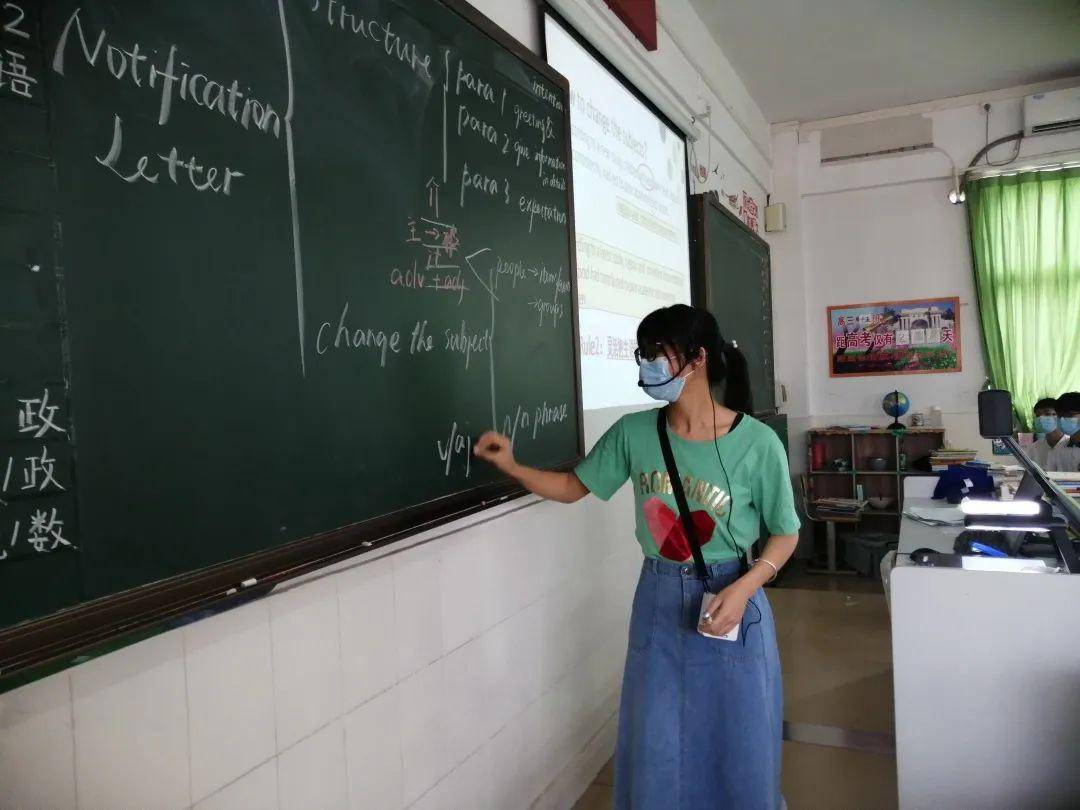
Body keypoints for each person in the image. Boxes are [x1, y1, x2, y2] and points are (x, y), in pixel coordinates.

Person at [474, 304, 800, 809]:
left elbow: (785, 533)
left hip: (732, 598)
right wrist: (514, 466)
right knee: (658, 742)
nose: (646, 366)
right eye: (642, 354)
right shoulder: (634, 433)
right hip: (659, 599)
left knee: (738, 739)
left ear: (698, 359)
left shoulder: (757, 444)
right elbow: (570, 486)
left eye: (657, 354)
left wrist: (745, 587)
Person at [1029, 397, 1067, 470]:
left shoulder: (1072, 446)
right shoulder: (1034, 448)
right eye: (1038, 415)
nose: (1041, 418)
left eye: (1047, 414)